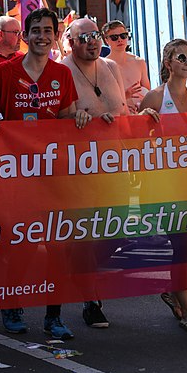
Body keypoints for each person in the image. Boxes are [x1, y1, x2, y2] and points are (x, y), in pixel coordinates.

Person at [0, 8, 89, 339]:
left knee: (57, 247)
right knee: (20, 247)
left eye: (47, 30)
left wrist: (78, 118)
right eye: (35, 29)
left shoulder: (61, 74)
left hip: (52, 176)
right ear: (24, 36)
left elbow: (66, 115)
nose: (41, 35)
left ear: (55, 35)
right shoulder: (4, 72)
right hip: (13, 176)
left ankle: (54, 316)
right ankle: (11, 306)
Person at [138, 39, 187, 332]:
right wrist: (141, 122)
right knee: (181, 246)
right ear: (168, 63)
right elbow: (134, 144)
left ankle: (172, 285)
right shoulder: (154, 98)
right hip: (166, 186)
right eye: (183, 56)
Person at [62, 17, 127, 327]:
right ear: (71, 42)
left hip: (115, 162)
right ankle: (92, 299)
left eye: (94, 36)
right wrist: (76, 119)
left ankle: (82, 272)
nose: (90, 41)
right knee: (89, 231)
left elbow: (125, 112)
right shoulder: (62, 71)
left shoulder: (111, 67)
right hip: (80, 167)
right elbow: (58, 118)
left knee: (117, 226)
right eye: (83, 37)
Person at [103, 20, 150, 114]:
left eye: (123, 36)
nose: (119, 40)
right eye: (114, 37)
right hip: (117, 116)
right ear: (106, 40)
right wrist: (125, 97)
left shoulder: (139, 62)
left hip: (140, 115)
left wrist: (141, 105)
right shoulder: (103, 65)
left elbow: (148, 93)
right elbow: (102, 99)